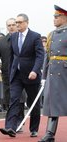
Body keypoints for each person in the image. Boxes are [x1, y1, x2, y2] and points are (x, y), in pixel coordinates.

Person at [0, 13, 44, 138]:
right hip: (17, 75)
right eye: (16, 22)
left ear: (26, 22)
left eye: (19, 22)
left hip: (31, 75)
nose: (17, 25)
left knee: (32, 102)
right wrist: (10, 73)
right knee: (14, 100)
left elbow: (40, 56)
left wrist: (35, 70)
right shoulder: (13, 37)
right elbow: (12, 56)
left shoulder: (35, 36)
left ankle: (34, 129)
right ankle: (10, 127)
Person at [38, 5, 67, 142]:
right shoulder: (52, 34)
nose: (54, 19)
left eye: (57, 17)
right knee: (52, 103)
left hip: (65, 72)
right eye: (54, 17)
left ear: (64, 17)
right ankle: (50, 133)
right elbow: (47, 56)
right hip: (53, 73)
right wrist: (44, 76)